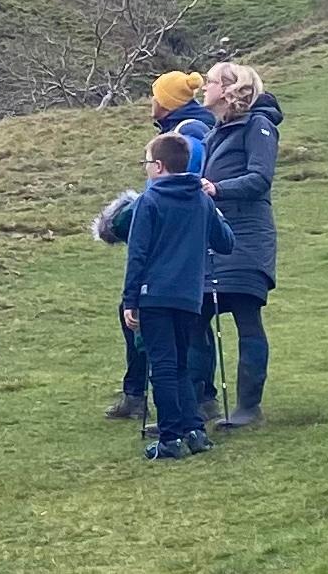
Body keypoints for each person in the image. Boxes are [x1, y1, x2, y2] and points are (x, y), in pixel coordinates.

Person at [97, 72, 218, 422]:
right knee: (186, 327)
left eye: (154, 94)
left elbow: (181, 183)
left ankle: (179, 404)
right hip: (183, 243)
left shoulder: (187, 132)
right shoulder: (189, 128)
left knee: (154, 323)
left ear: (165, 101)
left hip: (169, 249)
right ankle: (187, 402)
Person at [123, 129, 236, 458]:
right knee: (182, 364)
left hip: (155, 294)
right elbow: (226, 241)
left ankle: (170, 437)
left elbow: (138, 254)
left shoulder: (150, 200)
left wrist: (131, 300)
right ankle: (195, 430)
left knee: (163, 366)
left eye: (146, 162)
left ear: (158, 166)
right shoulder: (202, 200)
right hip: (190, 295)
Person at [199, 60, 281, 429]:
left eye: (211, 82)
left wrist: (217, 189)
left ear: (231, 90)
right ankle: (199, 403)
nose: (203, 87)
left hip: (247, 238)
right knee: (194, 316)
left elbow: (260, 179)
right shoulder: (216, 132)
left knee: (247, 319)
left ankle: (249, 407)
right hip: (214, 238)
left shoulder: (257, 126)